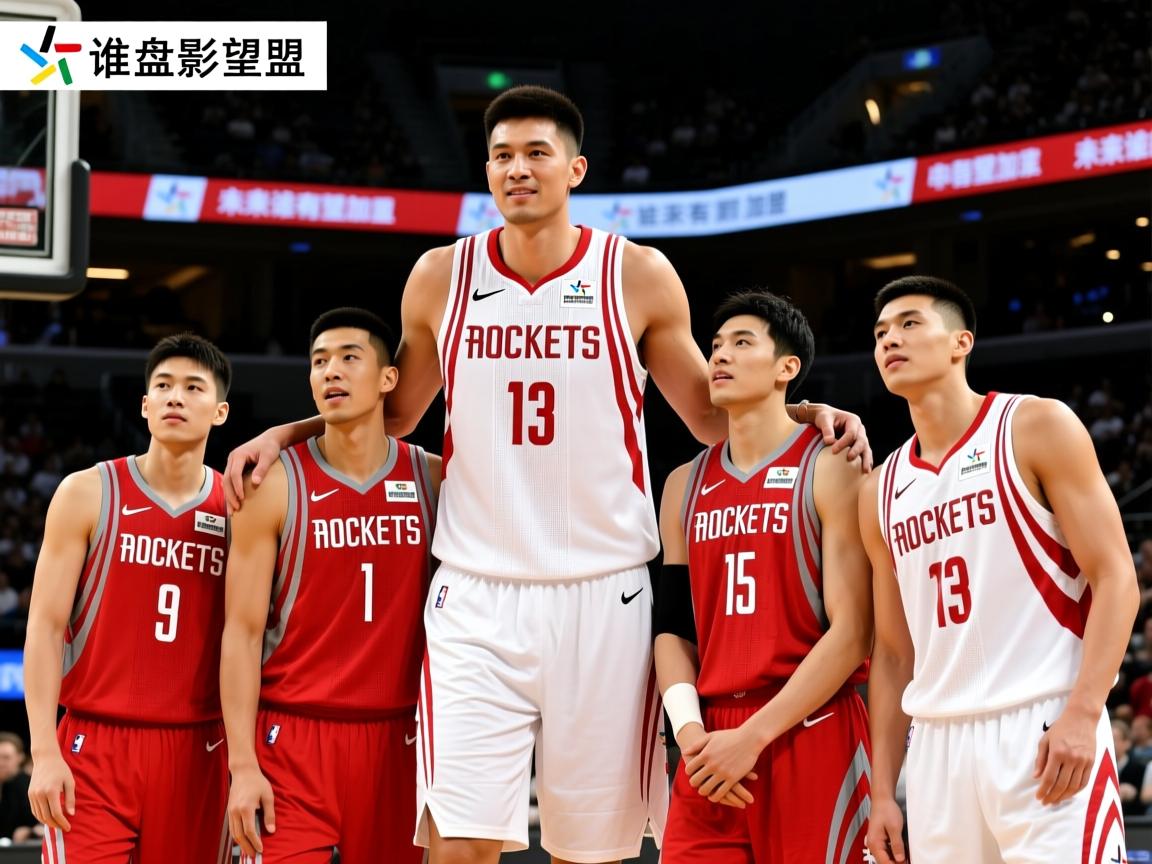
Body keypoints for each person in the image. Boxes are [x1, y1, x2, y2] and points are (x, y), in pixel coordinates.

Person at [224, 86, 870, 864]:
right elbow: (391, 415)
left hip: (603, 593)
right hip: (475, 593)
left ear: (575, 169)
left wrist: (807, 411)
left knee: (585, 853)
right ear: (486, 172)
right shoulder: (440, 276)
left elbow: (710, 415)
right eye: (501, 156)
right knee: (458, 844)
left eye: (537, 153)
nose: (517, 170)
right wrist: (285, 431)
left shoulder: (634, 274)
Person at [862, 276, 1138, 864]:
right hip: (936, 743)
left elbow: (1116, 576)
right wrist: (882, 791)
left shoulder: (1035, 425)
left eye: (910, 324)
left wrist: (1085, 711)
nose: (890, 340)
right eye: (881, 333)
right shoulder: (878, 489)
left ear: (961, 341)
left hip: (1042, 722)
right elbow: (891, 653)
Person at [655, 290, 872, 862]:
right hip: (710, 743)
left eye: (742, 342)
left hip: (810, 724)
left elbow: (853, 632)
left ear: (787, 368)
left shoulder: (831, 463)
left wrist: (753, 737)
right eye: (715, 345)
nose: (719, 356)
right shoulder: (682, 484)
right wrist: (690, 735)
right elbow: (672, 628)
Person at [221, 308, 437, 864]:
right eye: (318, 362)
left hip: (401, 737)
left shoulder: (436, 480)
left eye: (348, 358)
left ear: (389, 378)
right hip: (291, 738)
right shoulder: (272, 484)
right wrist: (242, 765)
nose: (330, 371)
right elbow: (241, 633)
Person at [24, 333, 233, 864]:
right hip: (95, 744)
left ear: (221, 411)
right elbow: (44, 628)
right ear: (143, 405)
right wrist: (43, 751)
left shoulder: (239, 509)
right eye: (162, 386)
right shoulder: (87, 492)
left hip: (200, 748)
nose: (175, 397)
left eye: (193, 387)